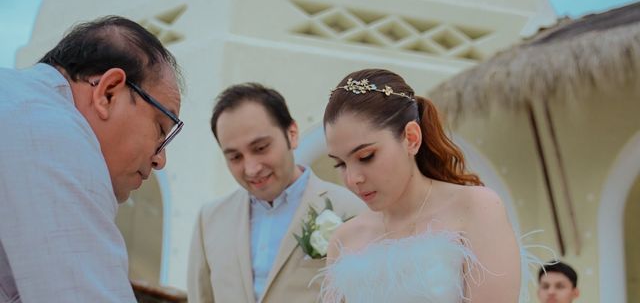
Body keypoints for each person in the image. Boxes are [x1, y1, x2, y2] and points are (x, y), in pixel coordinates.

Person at [0, 16, 183, 303]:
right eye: (161, 128)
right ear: (108, 93)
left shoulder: (19, 104)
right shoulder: (55, 134)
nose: (160, 159)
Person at [321, 68, 522, 303]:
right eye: (341, 164)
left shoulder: (475, 208)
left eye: (366, 156)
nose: (353, 178)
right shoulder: (344, 240)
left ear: (412, 138)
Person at [187, 83, 364, 303]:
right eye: (235, 157)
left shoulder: (352, 211)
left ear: (292, 134)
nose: (251, 168)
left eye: (260, 148)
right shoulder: (209, 219)